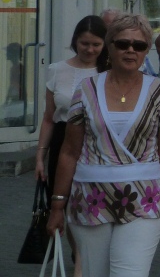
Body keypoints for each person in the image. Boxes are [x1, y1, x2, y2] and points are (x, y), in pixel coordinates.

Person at [47, 13, 160, 276]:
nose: (131, 50)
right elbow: (69, 151)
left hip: (145, 200)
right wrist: (56, 206)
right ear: (109, 47)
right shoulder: (86, 89)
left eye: (139, 45)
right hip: (90, 199)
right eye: (123, 44)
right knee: (92, 273)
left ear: (147, 51)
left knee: (130, 272)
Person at [36, 15, 107, 277]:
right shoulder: (57, 69)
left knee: (90, 204)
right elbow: (48, 118)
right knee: (64, 205)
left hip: (95, 142)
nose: (89, 49)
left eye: (96, 44)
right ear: (75, 40)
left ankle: (82, 263)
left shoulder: (108, 72)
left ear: (104, 45)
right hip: (62, 139)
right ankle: (79, 255)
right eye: (84, 43)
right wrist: (40, 156)